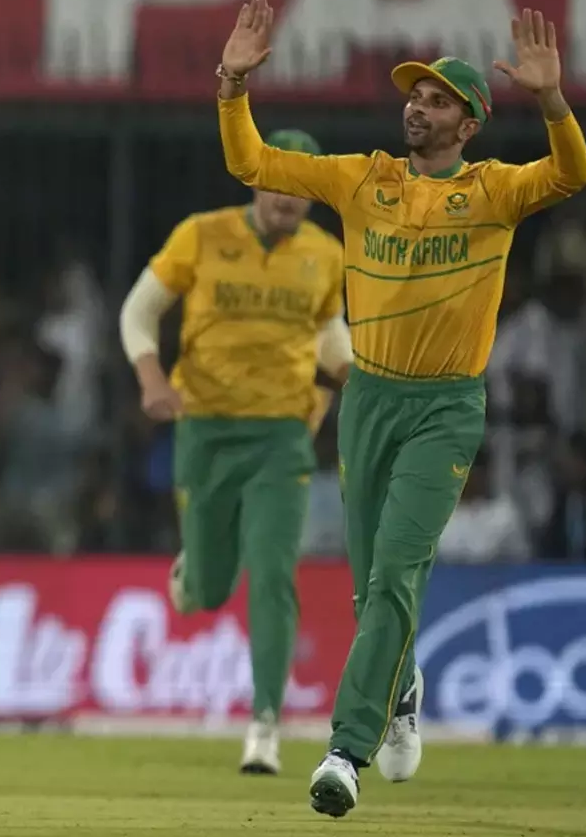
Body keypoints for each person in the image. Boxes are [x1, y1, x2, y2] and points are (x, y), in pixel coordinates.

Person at [216, 0, 586, 818]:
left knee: (395, 574)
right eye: (414, 97)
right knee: (370, 591)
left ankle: (344, 753)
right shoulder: (363, 177)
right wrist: (233, 84)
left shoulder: (493, 191)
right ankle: (402, 686)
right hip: (369, 399)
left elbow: (571, 174)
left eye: (436, 101)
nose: (417, 109)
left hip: (445, 409)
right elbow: (252, 163)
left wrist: (552, 100)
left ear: (469, 124)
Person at [119, 138, 352, 775]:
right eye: (277, 183)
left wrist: (353, 376)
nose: (286, 199)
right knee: (210, 591)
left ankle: (265, 725)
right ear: (255, 182)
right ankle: (195, 574)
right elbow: (139, 312)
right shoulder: (202, 235)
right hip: (205, 431)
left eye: (301, 188)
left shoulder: (325, 255)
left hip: (281, 438)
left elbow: (330, 337)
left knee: (275, 573)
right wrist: (151, 379)